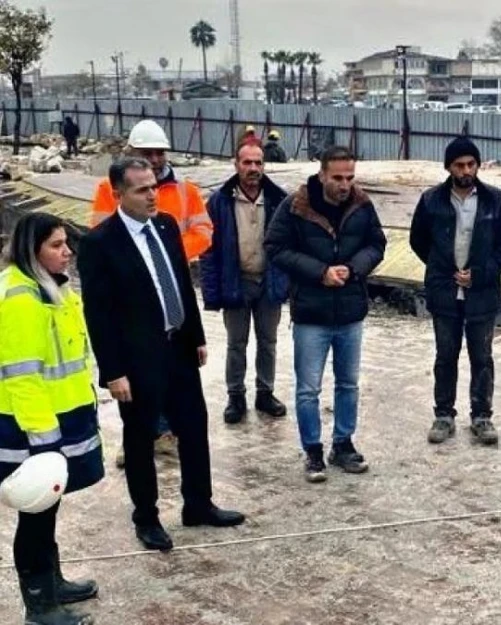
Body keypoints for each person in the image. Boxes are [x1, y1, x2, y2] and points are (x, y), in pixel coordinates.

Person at [77, 157, 245, 552]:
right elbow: (97, 314)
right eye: (141, 189)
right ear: (119, 194)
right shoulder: (100, 243)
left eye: (153, 186)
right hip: (137, 361)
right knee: (140, 439)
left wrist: (196, 335)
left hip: (179, 349)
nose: (152, 194)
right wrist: (113, 372)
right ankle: (147, 518)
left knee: (193, 427)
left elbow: (182, 285)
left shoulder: (167, 226)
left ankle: (198, 504)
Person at [89, 119, 213, 466]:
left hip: (174, 296)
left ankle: (196, 497)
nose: (156, 158)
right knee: (142, 414)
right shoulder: (109, 190)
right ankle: (149, 452)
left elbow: (203, 232)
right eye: (148, 152)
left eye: (160, 152)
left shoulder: (183, 193)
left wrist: (170, 255)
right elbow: (103, 237)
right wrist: (112, 371)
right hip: (136, 314)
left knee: (191, 416)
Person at [0, 213, 104, 625]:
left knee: (49, 506)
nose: (67, 253)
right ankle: (40, 605)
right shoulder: (21, 298)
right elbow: (21, 374)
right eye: (57, 245)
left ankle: (53, 581)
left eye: (67, 244)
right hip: (33, 426)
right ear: (32, 251)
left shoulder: (50, 289)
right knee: (36, 513)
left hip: (62, 414)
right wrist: (43, 437)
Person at [264, 146, 387, 483]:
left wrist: (353, 269)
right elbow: (275, 248)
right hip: (311, 314)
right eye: (337, 177)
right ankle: (313, 451)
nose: (344, 184)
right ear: (322, 175)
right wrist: (320, 272)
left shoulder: (362, 205)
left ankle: (343, 444)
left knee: (348, 383)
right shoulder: (296, 207)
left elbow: (377, 244)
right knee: (308, 389)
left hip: (350, 311)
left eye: (349, 177)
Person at [409, 137, 501, 446]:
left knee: (482, 356)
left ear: (478, 166)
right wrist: (443, 270)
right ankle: (444, 415)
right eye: (459, 165)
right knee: (445, 355)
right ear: (448, 167)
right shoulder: (431, 200)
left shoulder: (496, 201)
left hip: (481, 294)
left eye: (471, 164)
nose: (466, 170)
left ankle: (482, 416)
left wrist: (480, 274)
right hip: (445, 293)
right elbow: (418, 241)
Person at [199, 142, 289, 424]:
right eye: (247, 163)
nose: (253, 169)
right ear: (235, 164)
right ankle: (235, 395)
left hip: (268, 282)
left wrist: (286, 283)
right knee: (236, 343)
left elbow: (290, 243)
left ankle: (265, 392)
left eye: (258, 163)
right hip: (236, 282)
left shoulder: (279, 199)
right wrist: (213, 293)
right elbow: (208, 249)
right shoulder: (219, 201)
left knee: (268, 341)